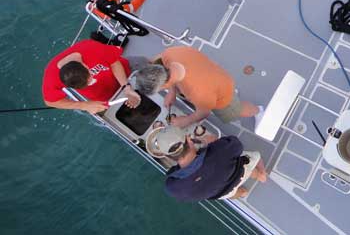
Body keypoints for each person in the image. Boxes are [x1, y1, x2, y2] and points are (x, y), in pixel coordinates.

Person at [130, 46, 261, 129]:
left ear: (163, 84)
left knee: (234, 111)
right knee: (215, 91)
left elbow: (204, 112)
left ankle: (258, 111)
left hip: (221, 93)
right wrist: (172, 91)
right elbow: (166, 70)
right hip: (214, 73)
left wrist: (185, 121)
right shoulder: (168, 54)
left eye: (160, 90)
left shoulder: (197, 93)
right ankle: (231, 94)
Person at [151, 126, 268, 201]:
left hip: (221, 193)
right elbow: (236, 144)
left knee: (231, 193)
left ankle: (242, 193)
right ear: (189, 140)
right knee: (255, 156)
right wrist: (213, 143)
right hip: (238, 174)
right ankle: (260, 176)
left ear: (166, 155)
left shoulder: (172, 188)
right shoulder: (220, 151)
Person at [42, 39, 142, 114]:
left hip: (127, 73)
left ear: (85, 65)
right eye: (87, 84)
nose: (93, 81)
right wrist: (84, 105)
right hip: (106, 99)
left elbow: (114, 63)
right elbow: (50, 102)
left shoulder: (91, 48)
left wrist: (126, 87)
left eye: (90, 79)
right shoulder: (51, 78)